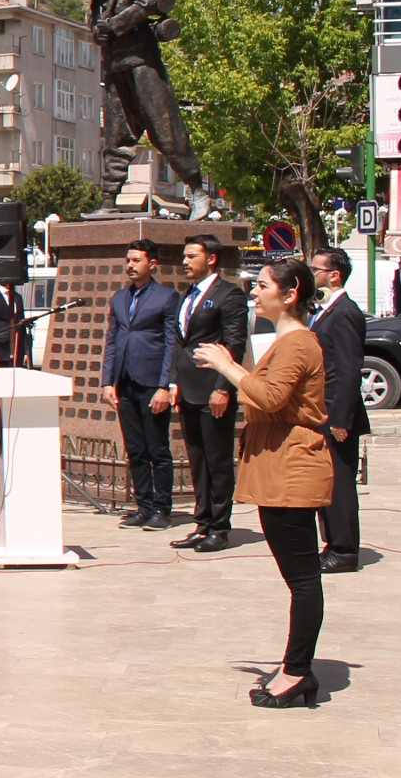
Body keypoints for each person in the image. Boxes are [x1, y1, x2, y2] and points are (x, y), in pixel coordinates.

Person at [192, 260, 332, 709]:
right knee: (299, 578)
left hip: (293, 469)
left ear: (290, 295)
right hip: (279, 464)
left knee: (303, 580)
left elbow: (270, 397)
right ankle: (296, 668)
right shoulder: (285, 340)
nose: (254, 292)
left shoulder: (298, 342)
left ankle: (297, 672)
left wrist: (227, 366)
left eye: (263, 286)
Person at [168, 235, 246, 553]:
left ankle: (220, 528)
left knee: (217, 461)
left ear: (211, 258)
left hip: (213, 388)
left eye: (191, 256)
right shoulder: (187, 294)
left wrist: (223, 387)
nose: (185, 262)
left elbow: (235, 344)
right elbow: (180, 342)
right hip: (188, 389)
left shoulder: (229, 295)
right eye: (184, 256)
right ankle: (202, 523)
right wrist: (174, 382)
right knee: (197, 460)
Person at [100, 239, 180, 531]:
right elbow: (112, 341)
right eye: (128, 260)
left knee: (157, 449)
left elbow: (172, 344)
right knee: (135, 449)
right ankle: (143, 506)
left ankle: (162, 509)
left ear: (152, 264)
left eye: (137, 260)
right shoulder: (120, 298)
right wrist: (108, 381)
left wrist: (165, 386)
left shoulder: (167, 297)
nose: (130, 265)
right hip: (125, 382)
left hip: (152, 382)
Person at [308, 250, 370, 574]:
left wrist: (341, 419)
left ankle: (344, 551)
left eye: (315, 269)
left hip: (336, 414)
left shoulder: (345, 312)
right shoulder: (324, 310)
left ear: (334, 275)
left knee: (340, 485)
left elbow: (348, 369)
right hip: (321, 411)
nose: (311, 274)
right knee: (327, 483)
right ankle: (331, 544)